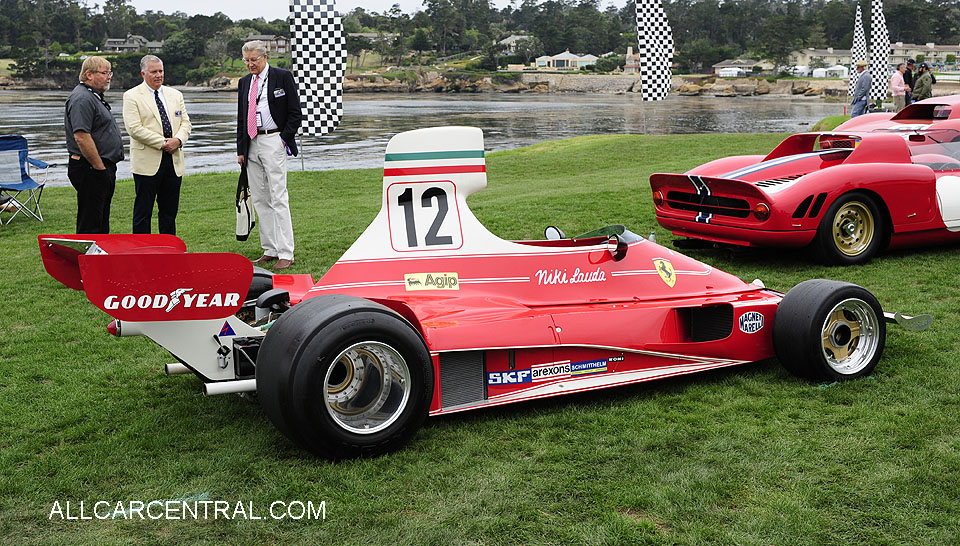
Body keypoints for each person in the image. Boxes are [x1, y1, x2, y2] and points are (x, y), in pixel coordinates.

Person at [236, 40, 302, 271]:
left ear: (265, 57)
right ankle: (270, 249)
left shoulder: (282, 77)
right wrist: (241, 150)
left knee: (278, 196)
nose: (250, 64)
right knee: (260, 198)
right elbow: (241, 118)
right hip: (251, 142)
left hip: (274, 138)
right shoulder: (244, 82)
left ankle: (286, 252)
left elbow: (295, 112)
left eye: (254, 59)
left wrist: (284, 138)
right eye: (247, 60)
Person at [122, 55, 192, 235]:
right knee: (143, 212)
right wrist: (162, 143)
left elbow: (186, 123)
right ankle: (142, 252)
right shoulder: (131, 96)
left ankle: (168, 251)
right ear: (143, 73)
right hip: (147, 164)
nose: (158, 75)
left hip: (173, 161)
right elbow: (134, 129)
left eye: (161, 71)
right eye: (154, 72)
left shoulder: (176, 95)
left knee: (169, 212)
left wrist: (178, 140)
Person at [64, 56, 123, 233]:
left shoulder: (93, 96)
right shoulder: (82, 99)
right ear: (89, 74)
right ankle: (86, 259)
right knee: (91, 223)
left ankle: (99, 258)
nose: (109, 77)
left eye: (109, 72)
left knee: (101, 219)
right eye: (104, 73)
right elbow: (81, 136)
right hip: (90, 168)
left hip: (99, 167)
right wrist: (99, 168)